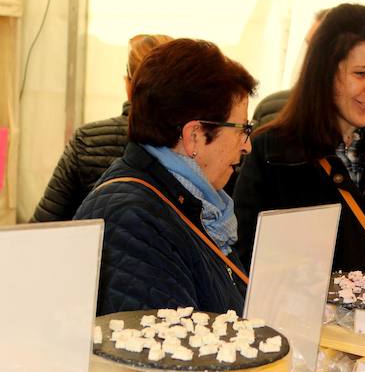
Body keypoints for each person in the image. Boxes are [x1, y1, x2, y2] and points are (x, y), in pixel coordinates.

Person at [233, 3, 365, 292]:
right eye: (361, 73)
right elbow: (246, 258)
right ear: (324, 72)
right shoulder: (272, 152)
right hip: (303, 332)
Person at [74, 38, 257, 315]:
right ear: (194, 136)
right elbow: (171, 350)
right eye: (241, 129)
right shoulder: (133, 219)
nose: (247, 145)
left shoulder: (192, 203)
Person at [31, 33, 173, 222]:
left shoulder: (86, 140)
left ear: (128, 85)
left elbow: (44, 224)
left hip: (89, 250)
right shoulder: (193, 145)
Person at [252, 8, 330, 128]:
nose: (308, 59)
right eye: (308, 46)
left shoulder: (361, 122)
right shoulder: (269, 111)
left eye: (317, 49)